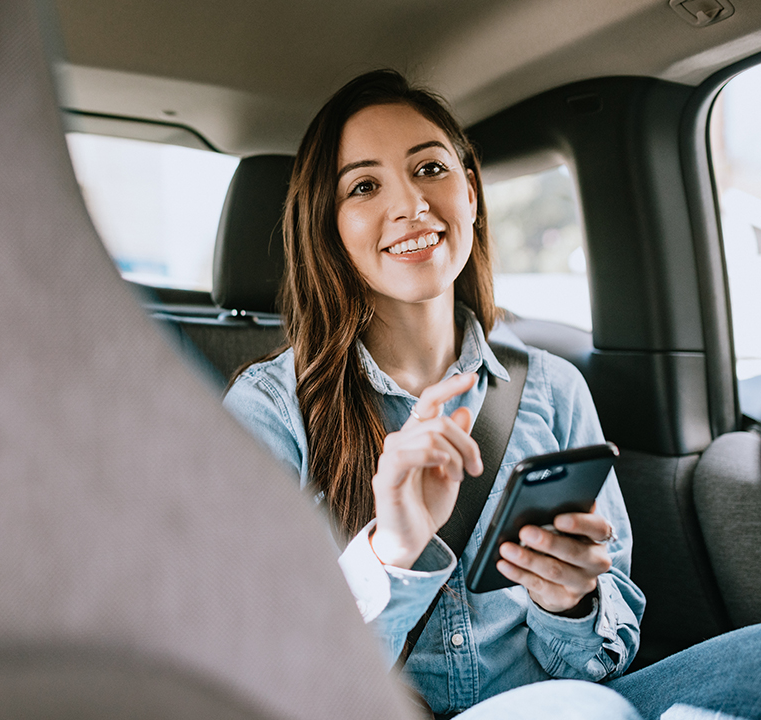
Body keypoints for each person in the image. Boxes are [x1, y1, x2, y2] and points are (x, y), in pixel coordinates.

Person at [223, 69, 760, 720]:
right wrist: (390, 551)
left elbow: (605, 650)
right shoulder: (268, 412)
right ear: (327, 227)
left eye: (429, 169)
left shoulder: (554, 388)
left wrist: (570, 602)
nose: (411, 205)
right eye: (364, 185)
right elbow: (259, 666)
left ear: (470, 193)